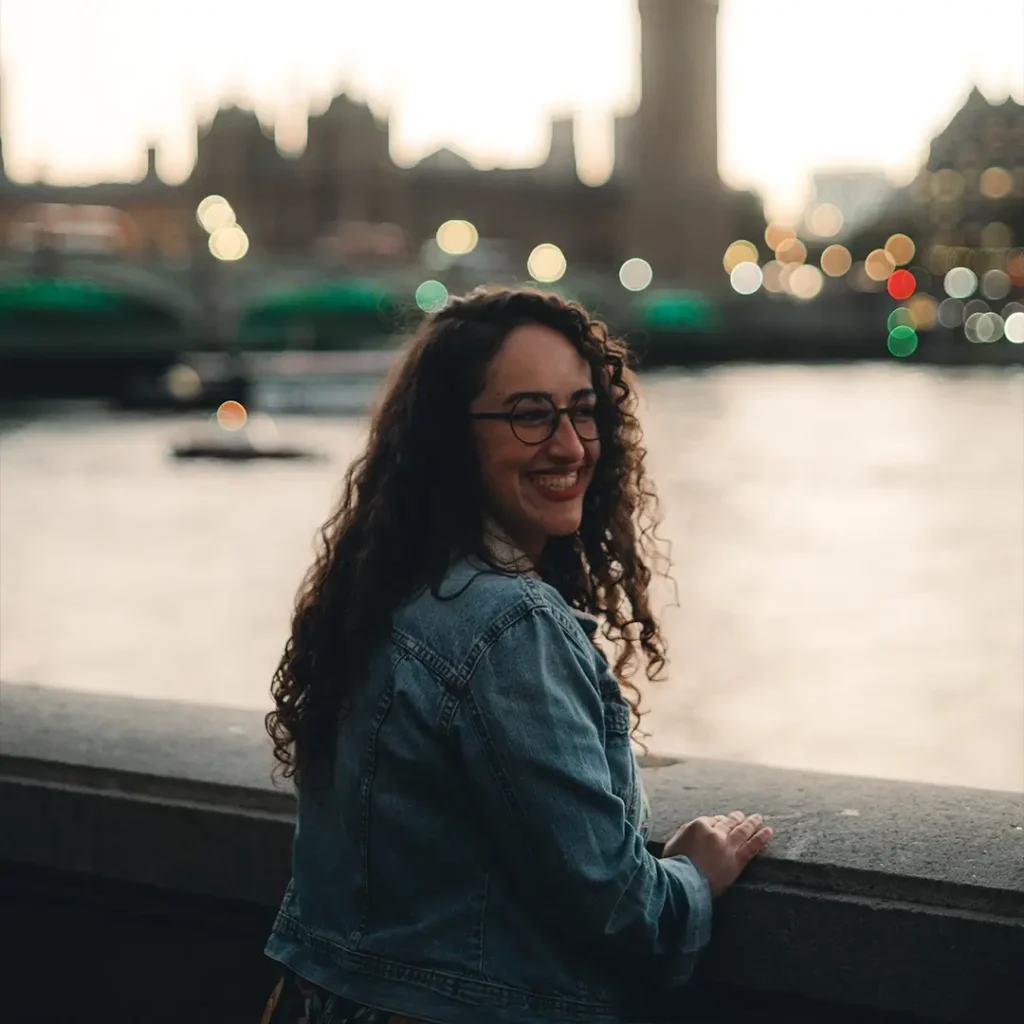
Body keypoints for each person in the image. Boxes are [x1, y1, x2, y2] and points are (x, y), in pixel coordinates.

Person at [261, 287, 774, 1024]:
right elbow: (619, 912)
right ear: (452, 437)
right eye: (530, 415)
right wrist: (693, 873)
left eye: (583, 410)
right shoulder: (509, 626)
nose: (570, 446)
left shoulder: (382, 592)